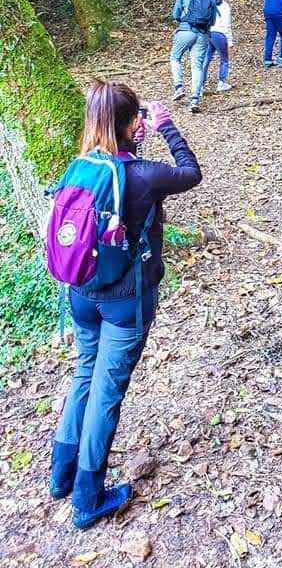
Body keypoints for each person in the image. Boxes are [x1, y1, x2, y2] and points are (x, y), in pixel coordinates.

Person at [49, 80, 202, 530]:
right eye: (138, 119)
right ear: (132, 122)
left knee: (84, 375)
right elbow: (190, 172)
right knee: (106, 392)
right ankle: (88, 498)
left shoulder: (79, 167)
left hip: (80, 295)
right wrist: (167, 126)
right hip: (125, 303)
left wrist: (136, 133)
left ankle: (61, 475)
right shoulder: (144, 175)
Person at [170, 0, 217, 113]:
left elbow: (175, 14)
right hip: (202, 34)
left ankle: (179, 87)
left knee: (175, 57)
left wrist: (183, 20)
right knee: (197, 66)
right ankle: (195, 99)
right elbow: (213, 20)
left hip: (185, 30)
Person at [202, 0, 233, 92]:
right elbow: (227, 25)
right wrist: (230, 40)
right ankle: (221, 83)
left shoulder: (209, 3)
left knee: (206, 59)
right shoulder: (225, 6)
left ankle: (200, 84)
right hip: (220, 34)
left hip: (209, 33)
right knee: (224, 59)